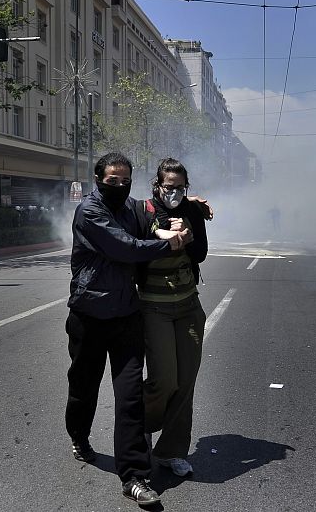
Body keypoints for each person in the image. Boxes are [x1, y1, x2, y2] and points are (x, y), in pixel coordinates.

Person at [65, 152, 192, 507]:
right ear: (98, 180)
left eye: (125, 181)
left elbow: (153, 211)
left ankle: (134, 476)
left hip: (126, 316)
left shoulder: (132, 207)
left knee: (130, 397)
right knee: (83, 388)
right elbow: (126, 248)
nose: (119, 187)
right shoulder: (90, 212)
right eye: (112, 181)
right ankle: (79, 435)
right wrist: (167, 242)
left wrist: (189, 202)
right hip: (89, 316)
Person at [135, 158, 209, 478]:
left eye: (180, 188)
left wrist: (189, 238)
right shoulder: (143, 212)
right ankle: (142, 424)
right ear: (157, 185)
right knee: (164, 378)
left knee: (186, 380)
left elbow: (201, 253)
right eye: (169, 187)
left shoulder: (192, 213)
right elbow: (136, 248)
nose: (175, 193)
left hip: (188, 306)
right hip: (153, 307)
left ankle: (171, 450)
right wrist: (164, 238)